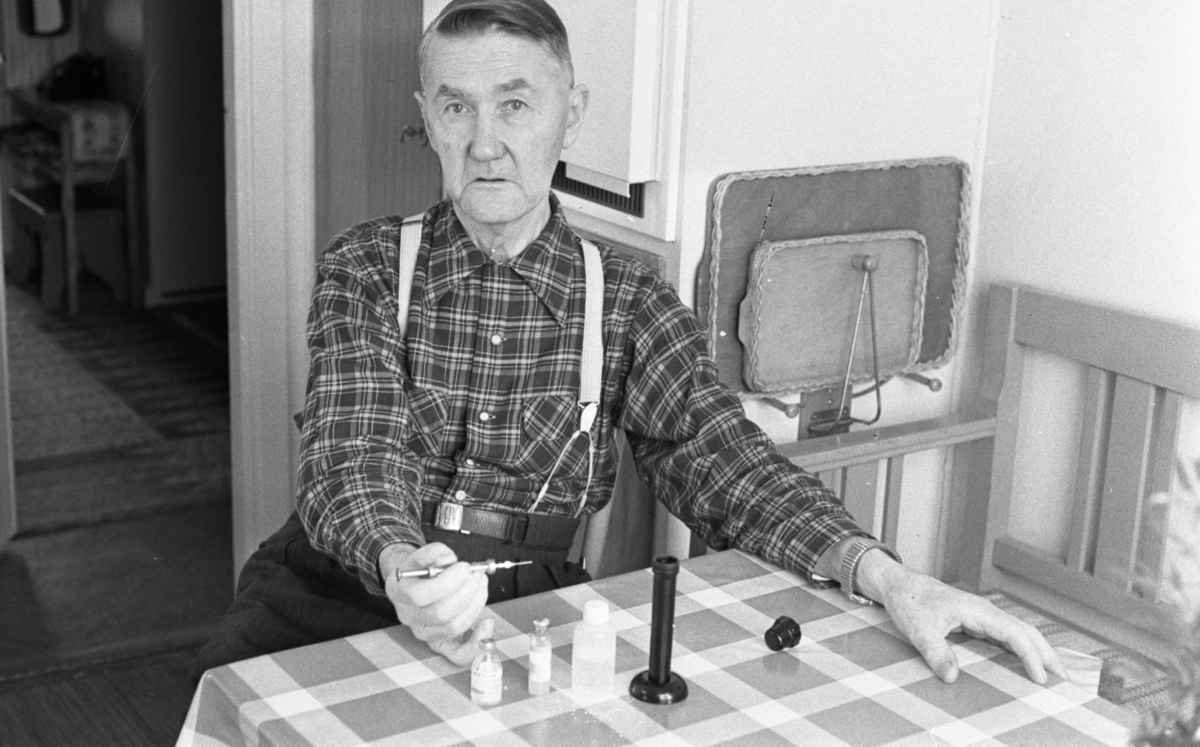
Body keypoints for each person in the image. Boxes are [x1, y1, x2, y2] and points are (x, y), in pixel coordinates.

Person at [195, 0, 1065, 687]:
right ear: (427, 117)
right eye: (457, 106)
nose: (485, 143)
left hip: (528, 609)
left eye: (516, 104)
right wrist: (399, 560)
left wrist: (888, 576)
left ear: (570, 116)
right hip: (339, 585)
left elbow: (724, 461)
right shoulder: (365, 264)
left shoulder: (628, 299)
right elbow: (352, 451)